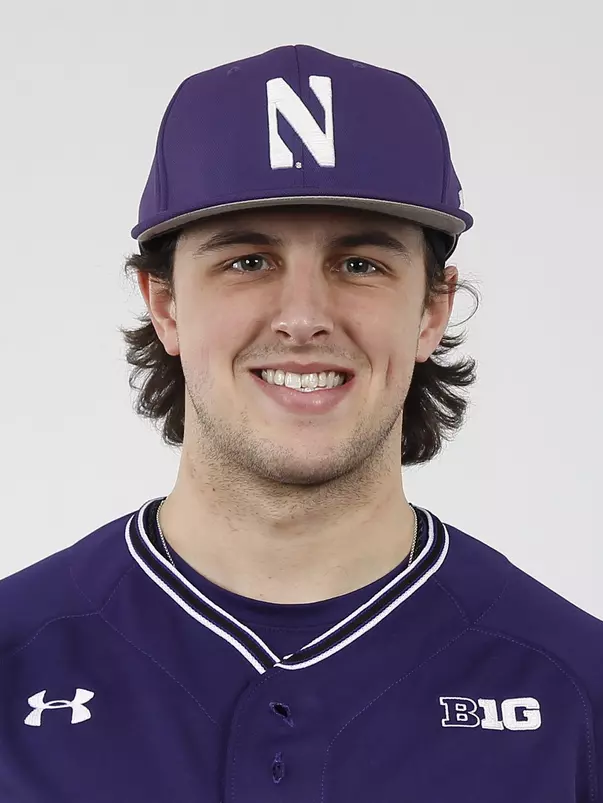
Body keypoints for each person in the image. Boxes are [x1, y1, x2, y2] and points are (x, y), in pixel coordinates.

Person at [0, 43, 601, 803]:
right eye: (247, 261)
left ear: (431, 309)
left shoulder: (577, 690)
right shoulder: (15, 658)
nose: (303, 318)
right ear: (164, 303)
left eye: (359, 264)